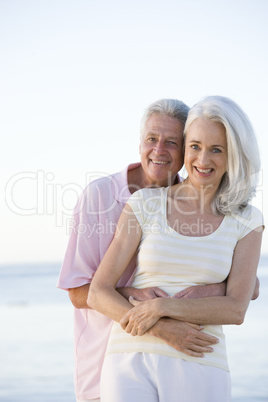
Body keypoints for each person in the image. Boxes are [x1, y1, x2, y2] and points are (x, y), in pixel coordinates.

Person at [57, 98, 242, 402]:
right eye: (152, 139)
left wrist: (219, 288)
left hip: (180, 361)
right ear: (140, 143)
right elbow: (79, 293)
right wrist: (144, 304)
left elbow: (245, 281)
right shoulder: (99, 196)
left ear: (186, 148)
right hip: (105, 364)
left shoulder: (201, 203)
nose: (159, 150)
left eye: (172, 142)